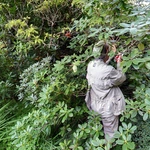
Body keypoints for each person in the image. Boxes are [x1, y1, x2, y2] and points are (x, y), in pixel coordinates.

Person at [85, 42, 126, 140]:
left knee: (98, 129)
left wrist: (111, 55)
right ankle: (109, 146)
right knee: (110, 134)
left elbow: (102, 67)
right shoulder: (108, 70)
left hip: (95, 104)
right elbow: (121, 78)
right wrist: (120, 63)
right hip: (108, 107)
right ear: (105, 53)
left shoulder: (91, 65)